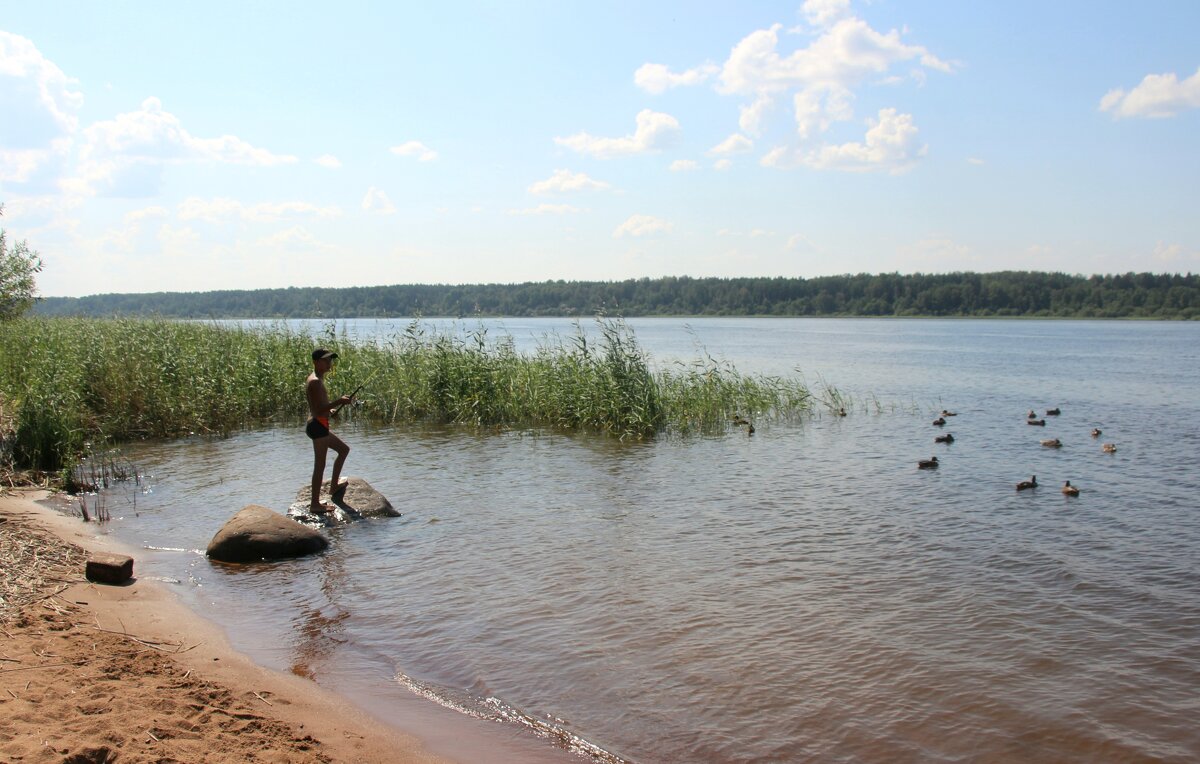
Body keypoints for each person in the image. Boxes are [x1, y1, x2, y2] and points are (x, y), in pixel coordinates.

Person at [305, 348, 353, 513]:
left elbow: (319, 407)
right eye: (326, 360)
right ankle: (314, 504)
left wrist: (331, 410)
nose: (329, 363)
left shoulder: (317, 379)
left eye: (330, 360)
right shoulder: (315, 381)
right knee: (320, 465)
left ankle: (333, 487)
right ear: (316, 362)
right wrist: (339, 401)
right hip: (318, 426)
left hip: (320, 424)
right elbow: (318, 411)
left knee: (343, 450)